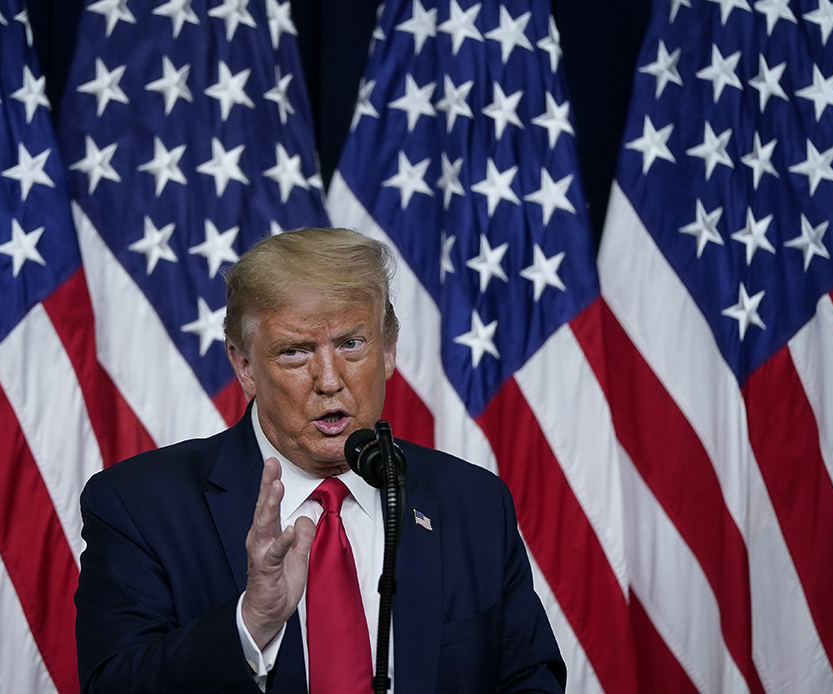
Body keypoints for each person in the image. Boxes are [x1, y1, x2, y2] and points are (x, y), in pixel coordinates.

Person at [75, 227, 566, 693]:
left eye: (351, 344)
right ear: (244, 366)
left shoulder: (472, 502)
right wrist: (251, 623)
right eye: (294, 352)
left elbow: (529, 678)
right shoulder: (138, 506)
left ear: (389, 350)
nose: (329, 380)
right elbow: (114, 683)